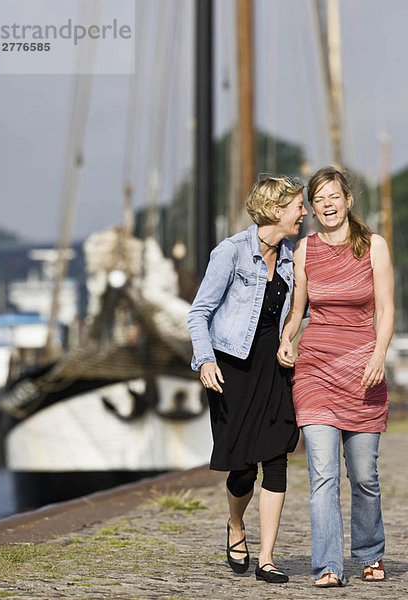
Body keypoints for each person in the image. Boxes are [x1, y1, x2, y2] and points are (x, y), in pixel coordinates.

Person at [277, 166, 394, 587]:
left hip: (364, 370)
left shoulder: (373, 246)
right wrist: (287, 338)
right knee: (323, 473)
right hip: (316, 372)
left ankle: (369, 553)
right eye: (319, 198)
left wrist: (379, 354)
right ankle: (328, 565)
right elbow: (297, 310)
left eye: (333, 196)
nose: (327, 205)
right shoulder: (304, 250)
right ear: (312, 207)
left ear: (347, 200)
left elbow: (387, 309)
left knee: (363, 475)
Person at [187, 175, 308, 584]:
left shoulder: (293, 255)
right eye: (298, 206)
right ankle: (236, 527)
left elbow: (295, 311)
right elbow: (198, 313)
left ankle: (267, 558)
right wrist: (204, 361)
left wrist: (289, 338)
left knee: (276, 460)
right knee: (241, 470)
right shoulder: (232, 253)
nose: (303, 213)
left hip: (273, 370)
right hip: (230, 369)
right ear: (276, 210)